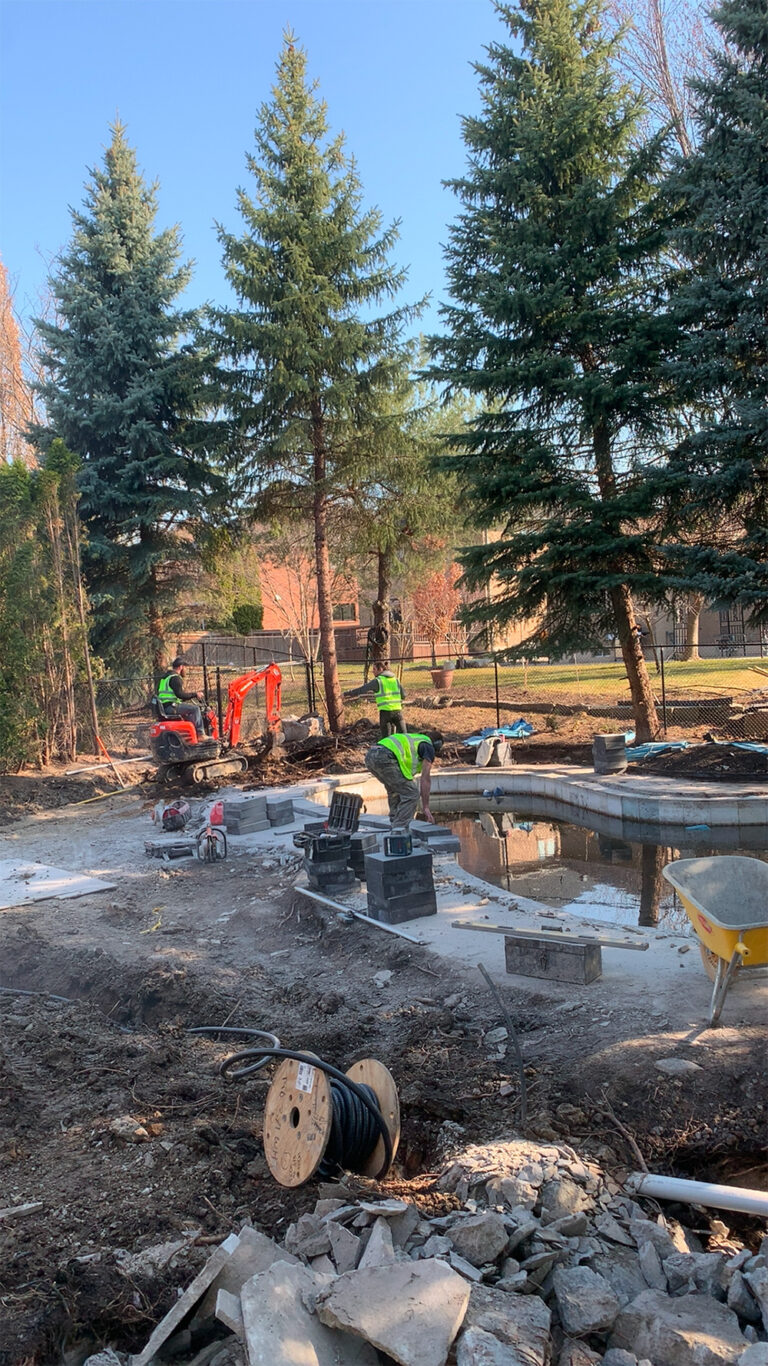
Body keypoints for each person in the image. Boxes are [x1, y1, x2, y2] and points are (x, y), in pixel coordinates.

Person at [364, 730, 443, 829]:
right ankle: (399, 830)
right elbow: (425, 779)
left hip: (370, 756)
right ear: (437, 744)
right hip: (386, 757)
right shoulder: (428, 746)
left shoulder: (415, 739)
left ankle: (395, 823)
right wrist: (426, 807)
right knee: (412, 794)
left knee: (394, 791)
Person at [344, 661, 407, 737]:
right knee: (404, 736)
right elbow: (404, 695)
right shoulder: (395, 680)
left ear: (380, 669)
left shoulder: (378, 681)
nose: (372, 671)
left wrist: (346, 694)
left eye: (374, 669)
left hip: (385, 713)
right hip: (398, 712)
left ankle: (387, 748)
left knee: (386, 739)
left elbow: (361, 690)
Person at [157, 657, 204, 737]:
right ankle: (200, 734)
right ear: (181, 667)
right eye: (184, 667)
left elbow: (174, 695)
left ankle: (190, 734)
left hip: (165, 706)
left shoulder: (165, 678)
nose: (185, 669)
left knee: (189, 711)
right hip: (171, 707)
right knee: (195, 709)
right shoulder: (175, 678)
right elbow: (180, 695)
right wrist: (195, 694)